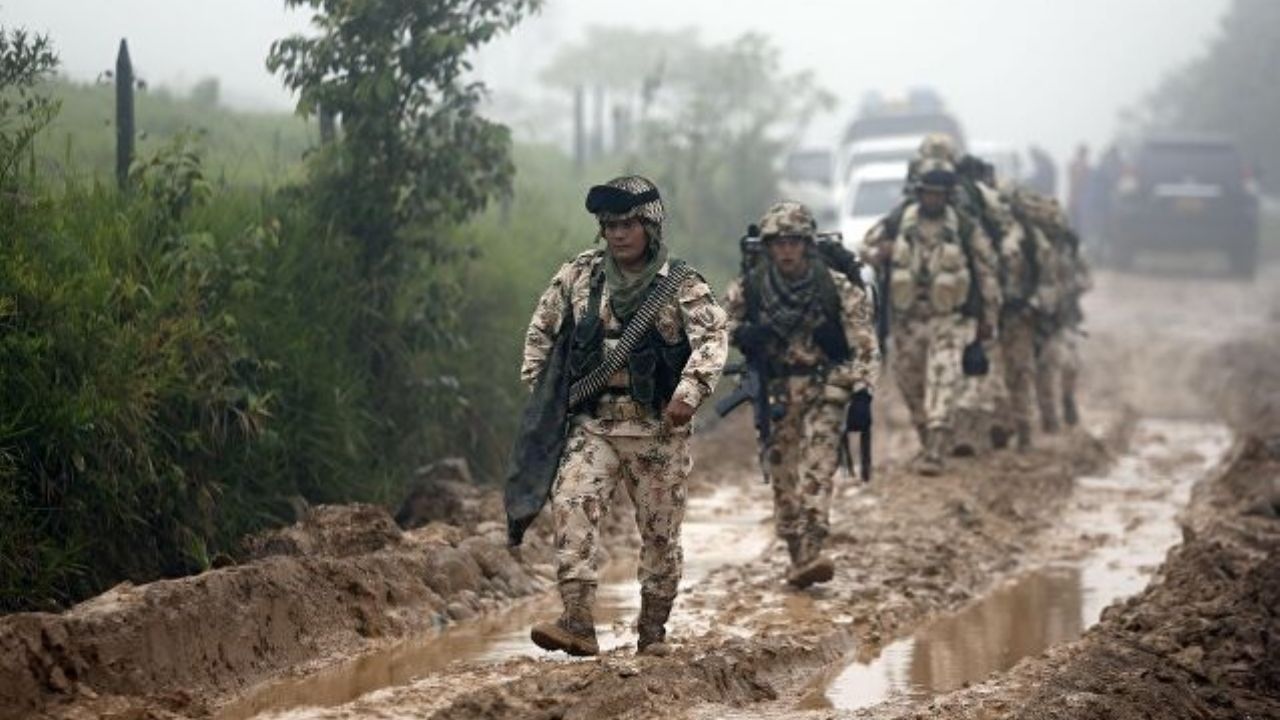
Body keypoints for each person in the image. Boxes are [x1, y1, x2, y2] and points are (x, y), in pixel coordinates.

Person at [521, 175, 728, 657]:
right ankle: (576, 621)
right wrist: (546, 398)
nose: (618, 234)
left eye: (629, 223)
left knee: (660, 535)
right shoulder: (578, 276)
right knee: (571, 506)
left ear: (650, 227)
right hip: (593, 424)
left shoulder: (681, 284)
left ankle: (652, 631)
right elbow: (541, 335)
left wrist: (689, 392)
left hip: (657, 430)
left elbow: (713, 339)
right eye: (609, 224)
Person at [724, 201, 879, 587]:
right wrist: (742, 334)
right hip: (777, 392)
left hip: (826, 386)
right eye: (779, 243)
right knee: (783, 476)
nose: (787, 250)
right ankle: (797, 552)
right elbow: (716, 325)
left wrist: (863, 393)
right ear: (768, 247)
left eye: (794, 242)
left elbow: (865, 343)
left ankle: (812, 548)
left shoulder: (836, 287)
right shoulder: (752, 287)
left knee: (819, 467)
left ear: (807, 245)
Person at [866, 158, 1001, 475]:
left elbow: (986, 273)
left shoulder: (965, 228)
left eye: (939, 195)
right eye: (927, 194)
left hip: (949, 319)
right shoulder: (899, 220)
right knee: (910, 382)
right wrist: (878, 253)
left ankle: (937, 449)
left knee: (944, 378)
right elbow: (866, 247)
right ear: (919, 194)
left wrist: (988, 316)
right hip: (908, 320)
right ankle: (928, 439)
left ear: (948, 196)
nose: (932, 200)